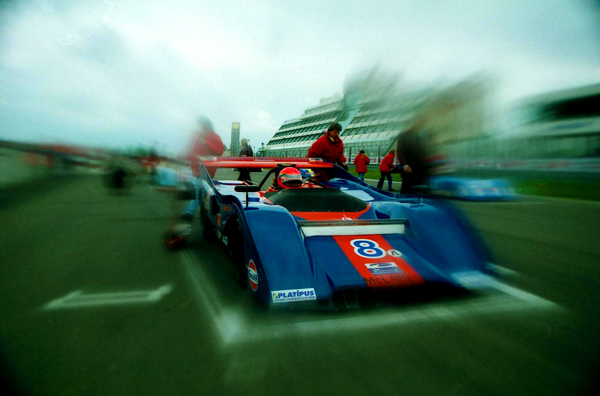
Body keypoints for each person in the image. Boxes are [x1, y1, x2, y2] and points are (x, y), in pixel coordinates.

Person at [181, 116, 225, 224]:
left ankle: (191, 213)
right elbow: (192, 151)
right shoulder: (198, 136)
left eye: (202, 125)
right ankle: (198, 213)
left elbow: (219, 151)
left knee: (199, 192)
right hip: (197, 169)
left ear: (207, 125)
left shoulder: (214, 137)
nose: (200, 127)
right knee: (200, 192)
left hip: (207, 170)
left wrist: (205, 143)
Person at [396, 117, 428, 194]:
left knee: (421, 193)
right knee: (407, 192)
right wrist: (404, 165)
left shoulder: (425, 135)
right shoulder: (405, 135)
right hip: (410, 169)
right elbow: (400, 151)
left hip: (422, 169)